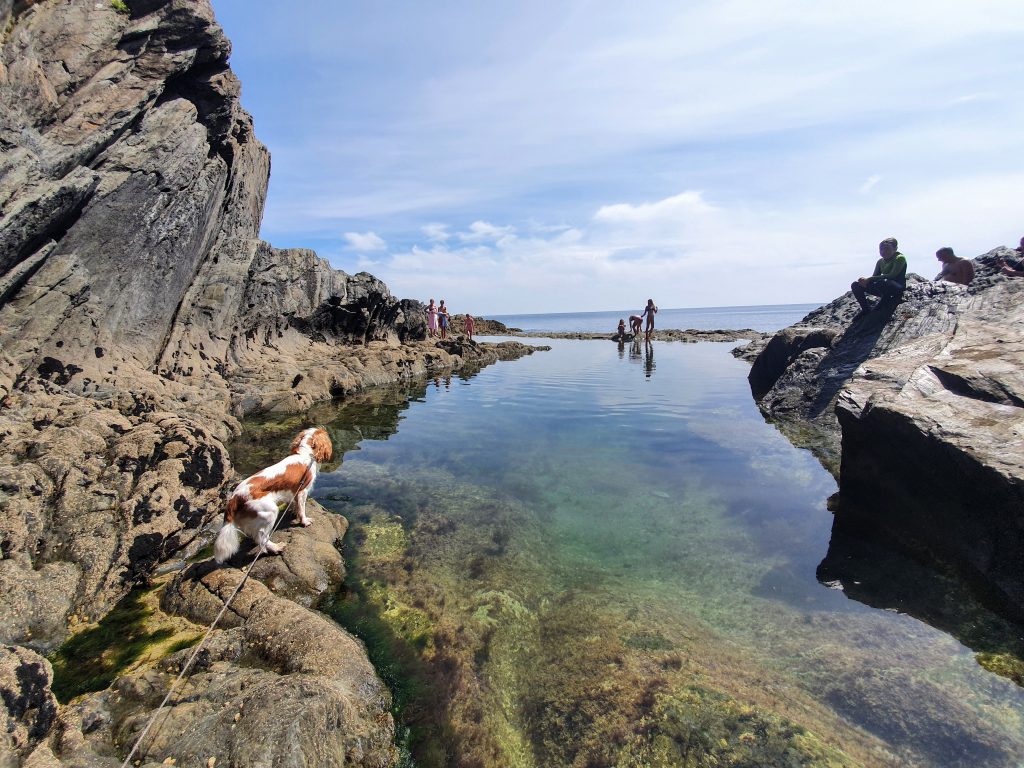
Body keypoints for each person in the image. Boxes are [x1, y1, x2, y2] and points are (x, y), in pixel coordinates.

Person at [851, 237, 907, 315]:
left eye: (887, 249)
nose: (884, 251)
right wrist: (864, 281)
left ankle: (885, 300)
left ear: (895, 249)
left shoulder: (900, 258)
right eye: (881, 249)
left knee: (883, 281)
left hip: (897, 288)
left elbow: (892, 275)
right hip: (884, 289)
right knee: (856, 285)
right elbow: (875, 277)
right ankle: (865, 309)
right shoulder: (880, 261)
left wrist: (869, 279)